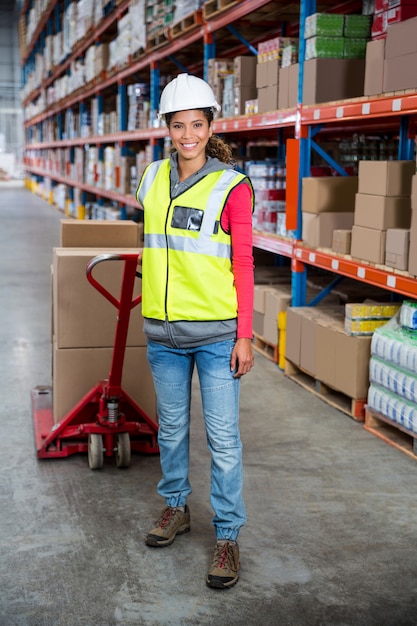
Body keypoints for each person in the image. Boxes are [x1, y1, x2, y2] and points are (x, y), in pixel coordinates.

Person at [136, 73, 255, 590]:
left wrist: (245, 335)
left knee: (223, 439)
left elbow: (245, 266)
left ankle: (227, 535)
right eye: (179, 125)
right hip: (162, 334)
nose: (188, 135)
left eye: (197, 125)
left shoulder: (232, 185)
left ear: (211, 127)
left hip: (214, 335)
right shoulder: (149, 178)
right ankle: (176, 508)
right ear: (167, 127)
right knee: (170, 430)